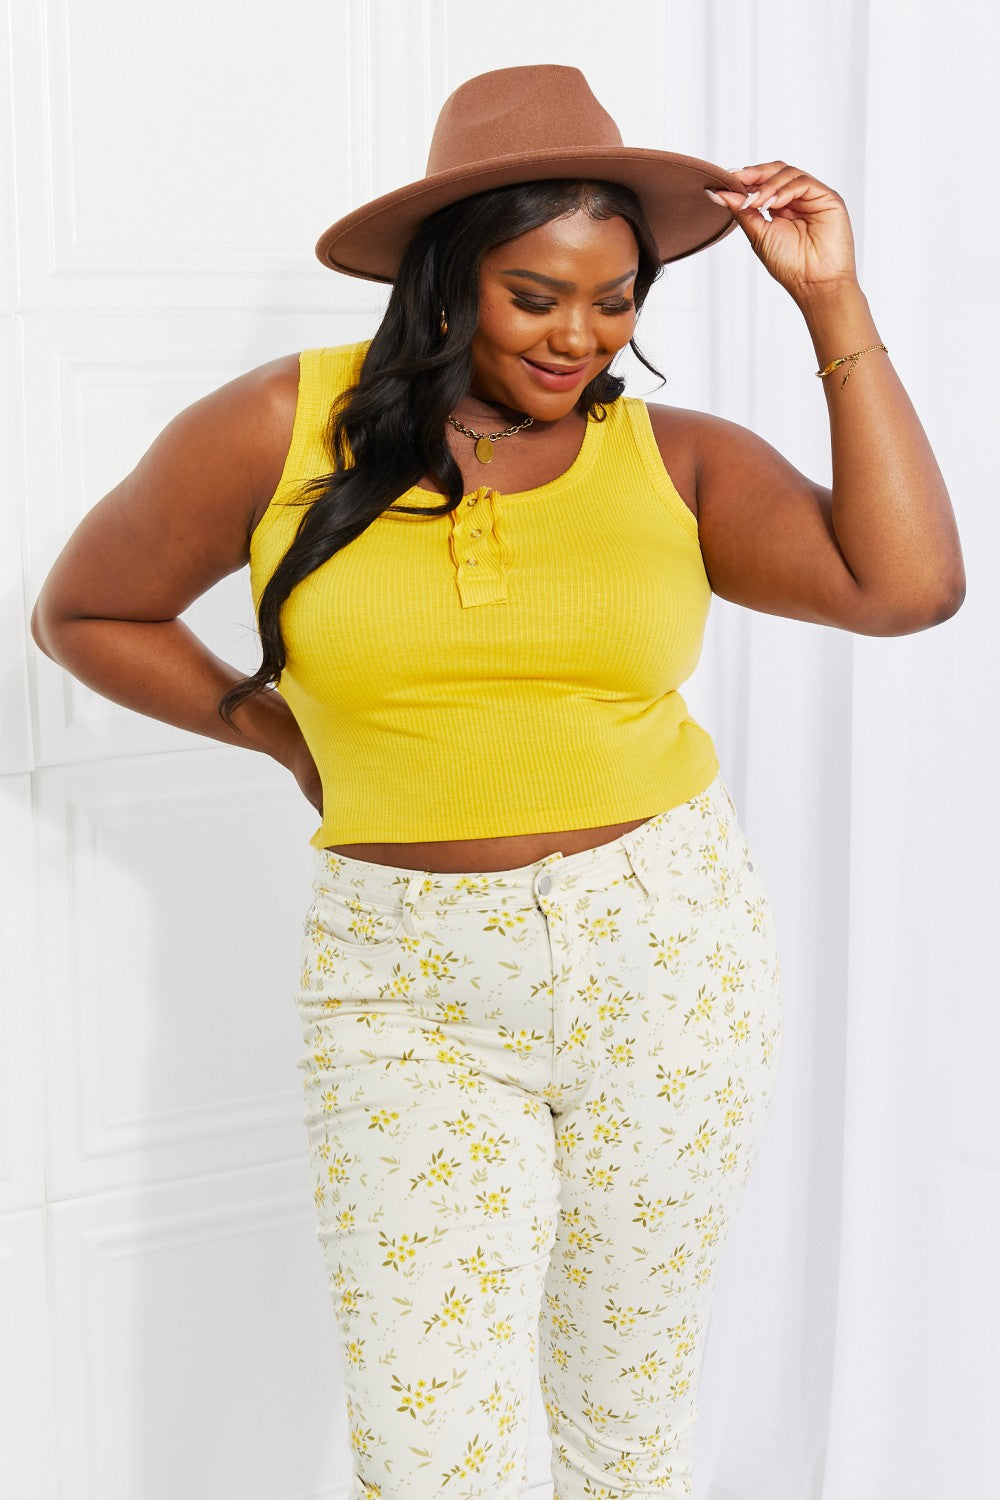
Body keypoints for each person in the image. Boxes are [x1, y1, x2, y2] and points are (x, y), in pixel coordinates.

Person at [30, 63, 963, 1500]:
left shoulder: (676, 462)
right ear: (446, 281)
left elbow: (906, 590)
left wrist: (831, 303)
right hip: (403, 986)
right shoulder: (280, 423)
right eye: (536, 296)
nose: (579, 336)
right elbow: (88, 612)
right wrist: (278, 734)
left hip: (670, 956)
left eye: (616, 300)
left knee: (625, 1420)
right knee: (428, 1441)